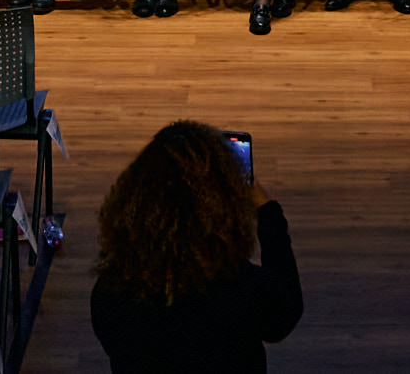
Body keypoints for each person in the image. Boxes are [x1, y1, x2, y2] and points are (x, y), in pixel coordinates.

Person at [88, 119, 305, 373]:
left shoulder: (110, 292)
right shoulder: (245, 289)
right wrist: (268, 214)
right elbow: (284, 312)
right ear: (224, 207)